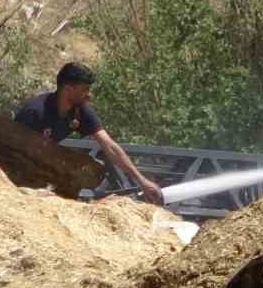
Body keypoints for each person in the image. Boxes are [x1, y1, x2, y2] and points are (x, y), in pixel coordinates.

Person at [14, 63, 164, 205]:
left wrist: (141, 181)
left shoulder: (80, 111)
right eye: (84, 89)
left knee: (91, 167)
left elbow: (110, 146)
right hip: (17, 169)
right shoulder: (35, 112)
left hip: (43, 165)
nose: (89, 95)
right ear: (68, 89)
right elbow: (13, 152)